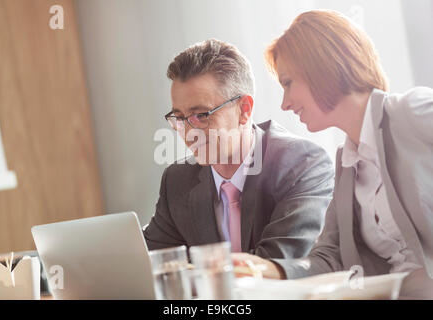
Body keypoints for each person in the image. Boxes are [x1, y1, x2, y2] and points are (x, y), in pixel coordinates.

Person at [233, 10, 433, 298]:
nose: (285, 103)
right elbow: (330, 256)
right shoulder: (347, 164)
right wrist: (266, 269)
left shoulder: (410, 113)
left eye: (288, 83)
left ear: (321, 67)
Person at [143, 39, 334, 266]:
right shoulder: (177, 181)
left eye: (202, 115)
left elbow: (274, 264)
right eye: (180, 118)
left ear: (244, 110)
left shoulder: (300, 164)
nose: (188, 132)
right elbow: (152, 264)